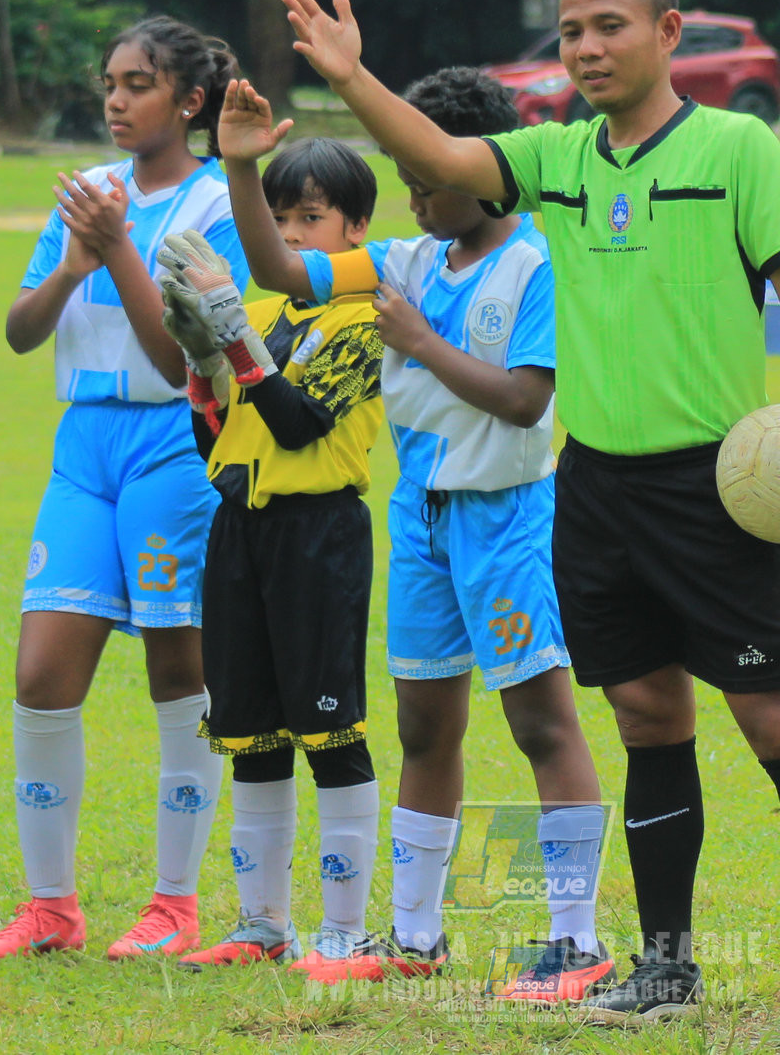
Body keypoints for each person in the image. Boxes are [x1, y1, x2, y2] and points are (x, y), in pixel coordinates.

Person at [281, 0, 780, 1026]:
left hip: (714, 488)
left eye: (609, 24)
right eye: (570, 30)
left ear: (669, 33)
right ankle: (665, 964)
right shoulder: (557, 156)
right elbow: (437, 153)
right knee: (648, 719)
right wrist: (349, 78)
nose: (587, 47)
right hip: (596, 490)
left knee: (775, 718)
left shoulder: (737, 145)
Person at [216, 67, 612, 1000]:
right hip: (419, 518)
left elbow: (523, 401)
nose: (413, 192)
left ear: (486, 172)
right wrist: (239, 171)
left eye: (428, 175)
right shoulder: (405, 258)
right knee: (425, 724)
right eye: (404, 172)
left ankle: (575, 940)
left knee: (539, 721)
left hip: (506, 517)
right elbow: (281, 269)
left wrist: (424, 340)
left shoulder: (532, 267)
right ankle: (417, 936)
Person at [0, 20, 243, 963]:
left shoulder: (216, 205)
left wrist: (119, 248)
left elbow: (180, 361)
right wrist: (73, 264)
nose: (116, 100)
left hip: (173, 443)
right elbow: (16, 329)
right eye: (110, 83)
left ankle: (175, 905)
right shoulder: (87, 197)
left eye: (138, 84)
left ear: (190, 101)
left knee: (179, 673)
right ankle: (50, 906)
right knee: (41, 674)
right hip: (82, 442)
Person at [152, 137, 387, 980]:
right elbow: (216, 437)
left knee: (329, 726)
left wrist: (233, 335)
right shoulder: (264, 310)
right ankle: (262, 923)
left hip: (318, 533)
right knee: (250, 729)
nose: (289, 235)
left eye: (310, 219)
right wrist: (200, 362)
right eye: (278, 219)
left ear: (357, 228)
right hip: (240, 528)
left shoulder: (363, 319)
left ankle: (346, 930)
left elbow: (295, 423)